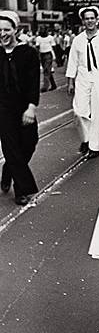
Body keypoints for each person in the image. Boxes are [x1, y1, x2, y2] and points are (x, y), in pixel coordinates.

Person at [0, 11, 40, 205]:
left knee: (29, 143)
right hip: (2, 109)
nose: (2, 33)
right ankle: (21, 190)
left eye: (7, 29)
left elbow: (33, 82)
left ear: (16, 30)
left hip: (24, 106)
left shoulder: (28, 53)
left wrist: (31, 107)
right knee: (11, 147)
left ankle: (8, 170)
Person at [65, 6, 99, 158]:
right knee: (79, 111)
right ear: (83, 21)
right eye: (87, 18)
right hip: (82, 77)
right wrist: (70, 81)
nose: (90, 21)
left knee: (97, 112)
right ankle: (86, 139)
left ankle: (95, 146)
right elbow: (73, 61)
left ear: (97, 19)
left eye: (92, 18)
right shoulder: (78, 40)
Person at [35, 26, 57, 92]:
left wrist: (54, 56)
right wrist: (37, 56)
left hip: (48, 54)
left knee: (46, 71)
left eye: (44, 30)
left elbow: (54, 46)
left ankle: (45, 87)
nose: (42, 31)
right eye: (41, 30)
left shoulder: (50, 38)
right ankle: (53, 85)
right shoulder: (38, 38)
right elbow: (37, 47)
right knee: (47, 71)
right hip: (42, 54)